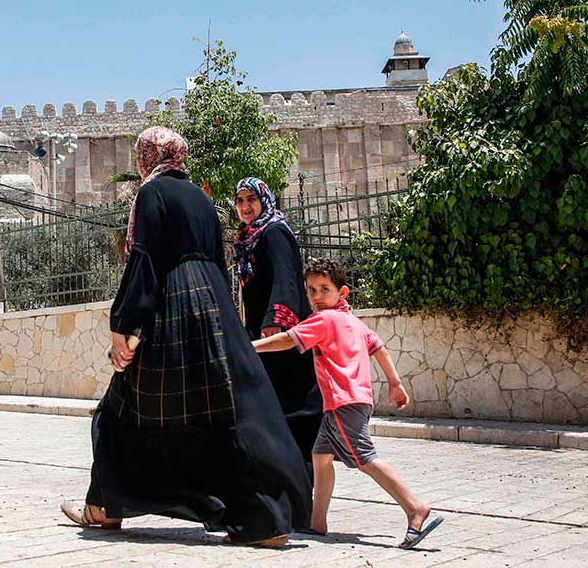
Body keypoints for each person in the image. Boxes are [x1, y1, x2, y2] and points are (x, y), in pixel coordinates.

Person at [61, 126, 311, 547]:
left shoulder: (151, 194)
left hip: (172, 309)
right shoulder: (202, 198)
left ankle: (102, 507)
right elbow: (218, 260)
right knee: (221, 413)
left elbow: (145, 260)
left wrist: (125, 325)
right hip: (213, 312)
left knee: (119, 408)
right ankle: (263, 519)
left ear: (147, 156)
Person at [253, 258, 444, 550]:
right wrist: (395, 383)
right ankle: (318, 523)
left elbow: (287, 340)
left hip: (343, 403)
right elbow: (379, 348)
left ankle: (415, 507)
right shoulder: (353, 322)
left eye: (324, 289)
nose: (317, 297)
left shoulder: (323, 320)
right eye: (311, 290)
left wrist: (251, 347)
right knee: (320, 457)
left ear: (342, 293)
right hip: (355, 402)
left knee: (365, 459)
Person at [233, 177, 322, 465]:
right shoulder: (248, 237)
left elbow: (286, 278)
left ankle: (303, 469)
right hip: (261, 332)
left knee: (291, 399)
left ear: (264, 200)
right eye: (240, 201)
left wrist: (276, 319)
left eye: (251, 200)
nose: (246, 206)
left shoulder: (274, 232)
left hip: (281, 332)